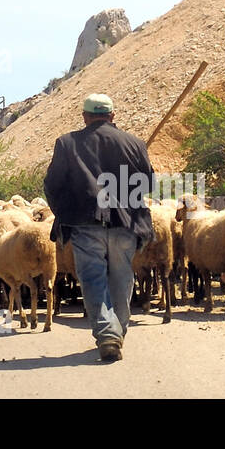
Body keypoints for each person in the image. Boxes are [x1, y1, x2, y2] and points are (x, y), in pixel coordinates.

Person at [43, 93, 155, 362]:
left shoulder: (67, 143)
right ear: (112, 116)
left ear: (85, 116)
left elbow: (53, 185)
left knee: (93, 279)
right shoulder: (135, 144)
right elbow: (148, 184)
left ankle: (107, 333)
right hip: (126, 223)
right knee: (122, 277)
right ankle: (118, 331)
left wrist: (66, 212)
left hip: (85, 223)